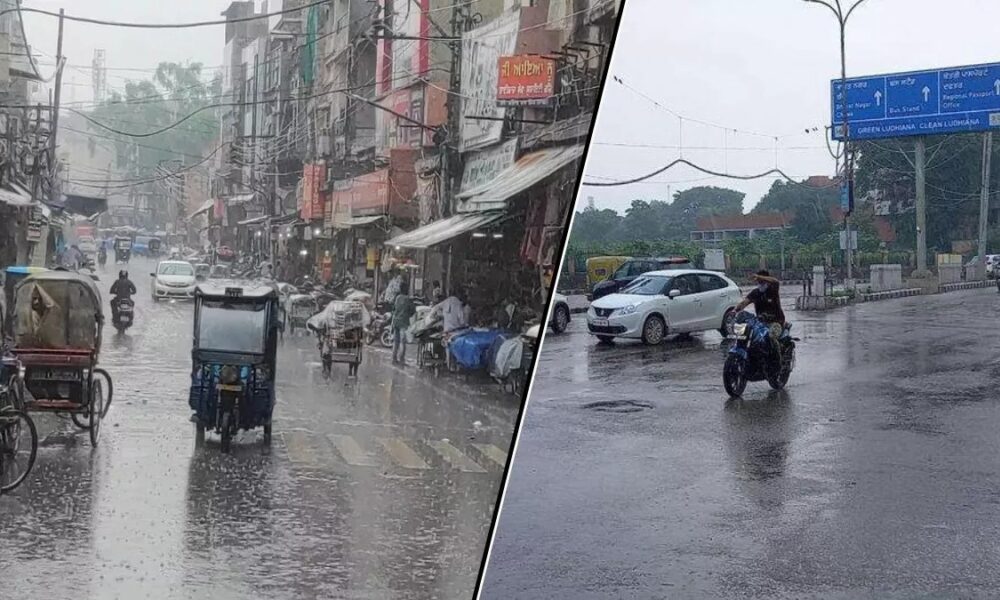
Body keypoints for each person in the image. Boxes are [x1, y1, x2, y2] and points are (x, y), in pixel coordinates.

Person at [734, 269, 785, 338]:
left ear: (767, 281)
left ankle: (775, 348)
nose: (760, 284)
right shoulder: (755, 293)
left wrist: (759, 276)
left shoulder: (773, 289)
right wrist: (735, 311)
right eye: (759, 282)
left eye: (762, 282)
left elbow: (775, 281)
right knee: (750, 336)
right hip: (761, 323)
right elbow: (744, 303)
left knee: (771, 338)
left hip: (776, 322)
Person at [391, 282, 416, 365]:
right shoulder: (408, 299)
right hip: (403, 322)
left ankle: (394, 359)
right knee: (402, 341)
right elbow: (413, 311)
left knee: (396, 341)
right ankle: (401, 359)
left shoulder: (397, 298)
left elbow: (393, 308)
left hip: (395, 322)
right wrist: (407, 314)